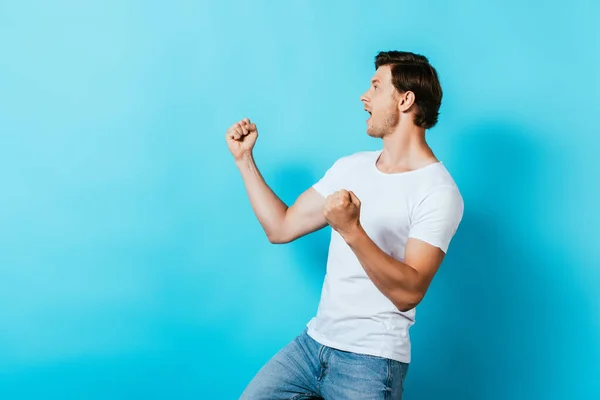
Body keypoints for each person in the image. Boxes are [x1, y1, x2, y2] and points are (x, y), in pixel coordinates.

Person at [226, 51, 464, 400]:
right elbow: (281, 227)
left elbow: (408, 293)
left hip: (371, 362)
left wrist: (351, 229)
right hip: (313, 345)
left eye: (376, 86)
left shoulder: (439, 191)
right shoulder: (351, 166)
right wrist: (244, 159)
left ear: (405, 99)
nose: (363, 96)